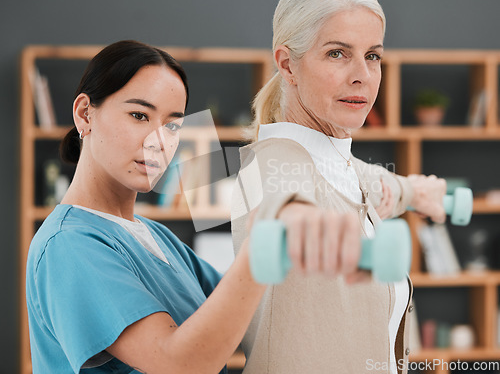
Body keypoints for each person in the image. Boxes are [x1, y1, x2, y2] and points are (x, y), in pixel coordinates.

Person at [25, 40, 368, 374]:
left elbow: (247, 316)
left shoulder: (154, 235)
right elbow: (180, 364)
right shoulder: (68, 245)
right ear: (85, 114)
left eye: (172, 124)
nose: (159, 141)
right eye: (139, 115)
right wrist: (264, 240)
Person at [231, 0, 447, 374]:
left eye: (373, 55)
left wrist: (418, 192)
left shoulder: (342, 166)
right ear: (287, 64)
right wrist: (312, 229)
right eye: (337, 53)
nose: (361, 74)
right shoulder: (272, 164)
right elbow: (284, 206)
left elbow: (384, 184)